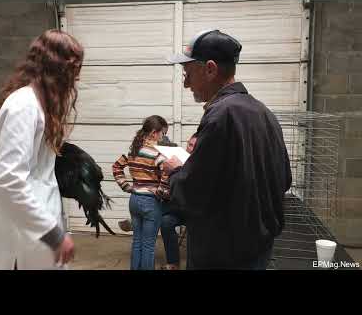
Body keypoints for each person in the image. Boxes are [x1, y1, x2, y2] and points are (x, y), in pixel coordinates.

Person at [163, 29, 292, 270]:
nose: (186, 83)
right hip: (258, 249)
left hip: (222, 255)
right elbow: (283, 180)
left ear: (210, 69)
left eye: (188, 73)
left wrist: (175, 171)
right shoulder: (264, 113)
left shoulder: (221, 115)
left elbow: (193, 193)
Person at [0, 29, 84, 270]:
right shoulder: (23, 107)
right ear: (55, 68)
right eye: (72, 70)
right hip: (18, 236)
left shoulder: (40, 106)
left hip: (34, 230)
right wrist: (52, 233)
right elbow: (7, 180)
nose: (76, 79)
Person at [112, 115, 169, 270]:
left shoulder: (133, 149)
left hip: (134, 200)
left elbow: (116, 167)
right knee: (149, 246)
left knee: (137, 242)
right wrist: (161, 192)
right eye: (162, 133)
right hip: (150, 202)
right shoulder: (157, 153)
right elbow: (167, 172)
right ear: (153, 132)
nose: (163, 137)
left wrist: (126, 187)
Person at [159, 133, 197, 270]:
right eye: (189, 144)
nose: (191, 149)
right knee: (165, 222)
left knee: (196, 225)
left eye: (194, 146)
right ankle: (173, 263)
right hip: (178, 208)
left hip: (194, 210)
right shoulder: (179, 158)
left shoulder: (202, 164)